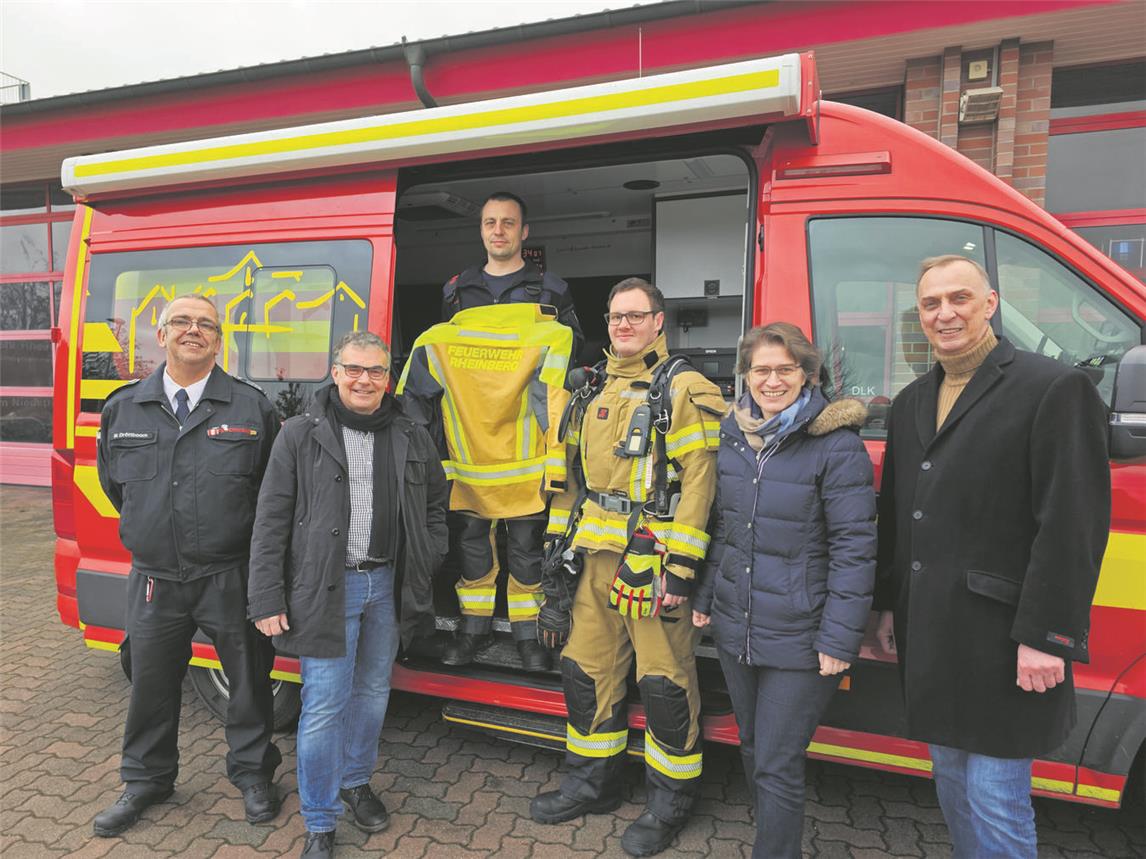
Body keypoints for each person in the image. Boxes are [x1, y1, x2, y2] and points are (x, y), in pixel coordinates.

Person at [873, 255, 1110, 858]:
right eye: (931, 304)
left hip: (1004, 638)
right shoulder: (911, 401)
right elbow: (900, 516)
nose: (945, 313)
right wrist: (885, 609)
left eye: (959, 298)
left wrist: (1047, 636)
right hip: (933, 631)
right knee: (952, 785)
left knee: (996, 797)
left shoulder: (1052, 386)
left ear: (991, 304)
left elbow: (1072, 524)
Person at [531, 278, 726, 857]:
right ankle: (593, 782)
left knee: (663, 682)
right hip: (592, 559)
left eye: (636, 316)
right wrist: (555, 561)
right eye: (616, 317)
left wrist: (681, 568)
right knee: (585, 673)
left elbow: (701, 484)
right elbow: (568, 482)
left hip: (653, 564)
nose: (623, 326)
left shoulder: (685, 387)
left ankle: (669, 802)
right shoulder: (590, 388)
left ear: (659, 322)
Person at [247, 332, 448, 859]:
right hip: (322, 588)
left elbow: (434, 504)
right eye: (354, 369)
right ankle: (319, 819)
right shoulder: (298, 434)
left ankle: (355, 783)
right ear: (335, 372)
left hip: (387, 585)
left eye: (376, 371)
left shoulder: (411, 431)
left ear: (389, 377)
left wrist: (426, 558)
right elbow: (269, 520)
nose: (364, 380)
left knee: (374, 694)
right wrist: (267, 597)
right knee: (322, 706)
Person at [94, 294, 281, 837]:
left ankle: (252, 773)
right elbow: (116, 487)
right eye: (181, 321)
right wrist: (152, 528)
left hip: (230, 574)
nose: (193, 330)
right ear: (161, 334)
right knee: (150, 684)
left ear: (219, 340)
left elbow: (271, 496)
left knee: (248, 683)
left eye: (205, 324)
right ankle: (147, 780)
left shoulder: (252, 408)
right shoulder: (123, 408)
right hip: (155, 578)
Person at [692, 322, 876, 858]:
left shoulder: (836, 447)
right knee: (752, 747)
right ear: (745, 375)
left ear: (807, 375)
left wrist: (839, 641)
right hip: (737, 624)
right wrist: (706, 598)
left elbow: (854, 550)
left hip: (801, 633)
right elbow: (724, 528)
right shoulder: (734, 437)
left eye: (785, 369)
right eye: (761, 370)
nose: (772, 381)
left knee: (775, 760)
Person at [436, 191, 585, 671]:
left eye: (508, 223)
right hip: (472, 451)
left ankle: (529, 638)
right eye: (489, 223)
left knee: (527, 547)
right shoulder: (456, 291)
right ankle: (472, 630)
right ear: (481, 231)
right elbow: (446, 362)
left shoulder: (552, 291)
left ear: (525, 233)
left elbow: (569, 362)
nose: (498, 231)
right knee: (472, 546)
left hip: (526, 448)